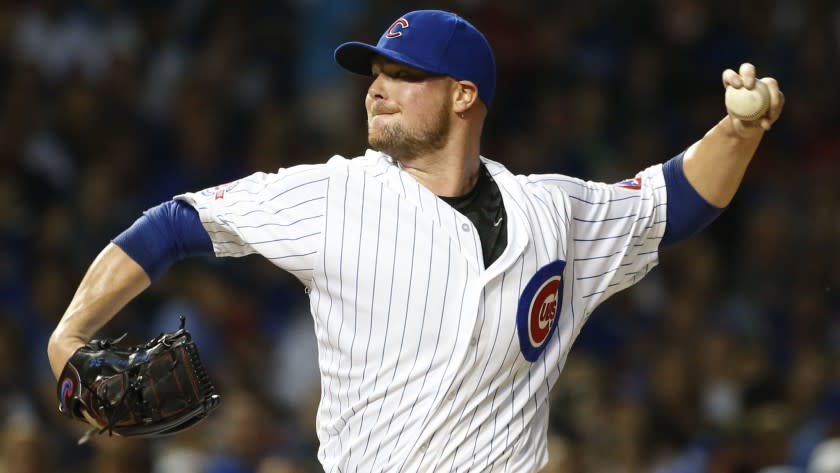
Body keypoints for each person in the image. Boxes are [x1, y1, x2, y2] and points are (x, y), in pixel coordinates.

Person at [47, 9, 784, 473]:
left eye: (403, 75)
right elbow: (174, 222)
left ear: (465, 94)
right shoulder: (334, 193)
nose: (376, 87)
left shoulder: (553, 212)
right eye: (374, 74)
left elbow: (675, 202)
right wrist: (72, 332)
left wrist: (740, 129)